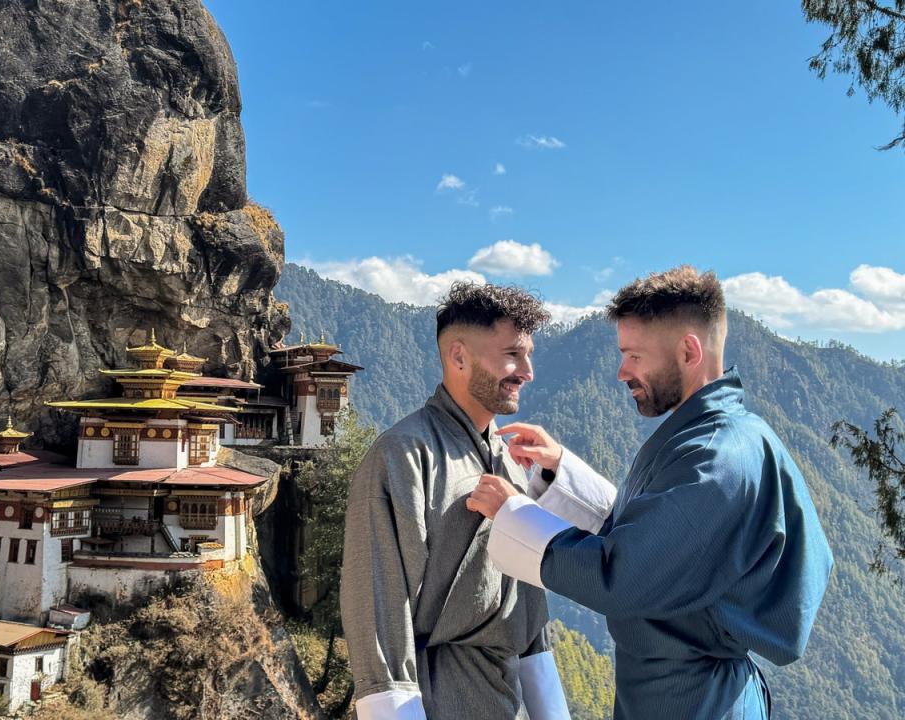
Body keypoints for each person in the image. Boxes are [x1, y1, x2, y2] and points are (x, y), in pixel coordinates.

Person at [467, 266, 834, 720]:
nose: (622, 372)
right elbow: (660, 537)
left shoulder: (716, 459)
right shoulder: (712, 435)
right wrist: (560, 469)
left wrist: (512, 512)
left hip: (696, 703)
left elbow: (625, 574)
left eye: (634, 355)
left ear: (688, 350)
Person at [341, 282, 571, 720]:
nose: (527, 371)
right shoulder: (403, 455)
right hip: (435, 698)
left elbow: (528, 609)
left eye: (528, 355)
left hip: (502, 697)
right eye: (512, 354)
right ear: (459, 357)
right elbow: (379, 612)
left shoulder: (507, 457)